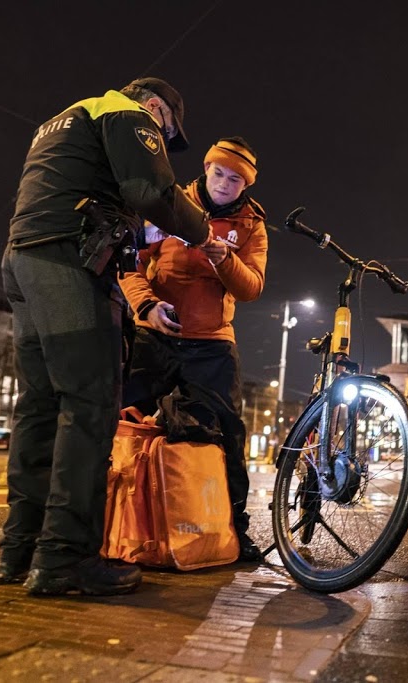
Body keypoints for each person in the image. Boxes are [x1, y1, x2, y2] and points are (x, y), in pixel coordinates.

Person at [0, 77, 213, 596]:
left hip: (22, 260)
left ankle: (19, 551)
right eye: (168, 129)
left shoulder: (68, 115)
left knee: (40, 406)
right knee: (90, 404)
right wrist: (202, 230)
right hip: (67, 265)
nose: (164, 137)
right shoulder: (128, 115)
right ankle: (66, 559)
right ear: (157, 107)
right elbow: (150, 191)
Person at [119, 136, 268, 561]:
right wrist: (145, 306)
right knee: (130, 424)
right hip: (155, 334)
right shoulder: (169, 205)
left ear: (246, 185)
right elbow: (128, 262)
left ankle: (234, 531)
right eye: (218, 172)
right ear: (205, 168)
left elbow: (252, 287)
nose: (224, 183)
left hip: (211, 344)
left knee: (226, 436)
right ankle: (118, 525)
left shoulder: (252, 225)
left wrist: (223, 257)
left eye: (235, 179)